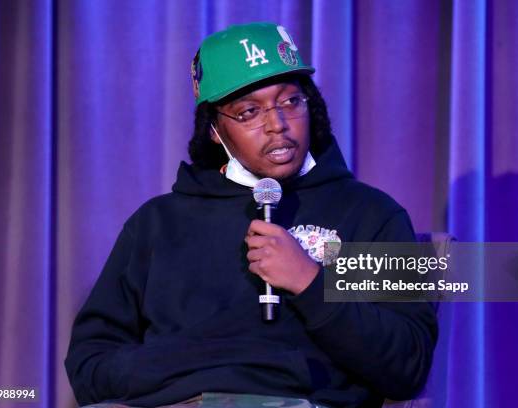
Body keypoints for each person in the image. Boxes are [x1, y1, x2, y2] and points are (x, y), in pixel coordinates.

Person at [65, 22, 437, 408]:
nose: (277, 124)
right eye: (248, 112)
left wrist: (311, 283)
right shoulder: (157, 223)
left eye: (290, 101)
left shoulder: (370, 213)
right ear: (213, 130)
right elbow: (90, 364)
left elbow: (407, 365)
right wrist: (183, 368)